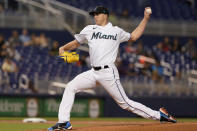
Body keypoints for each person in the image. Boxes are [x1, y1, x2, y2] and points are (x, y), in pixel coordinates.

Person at [48, 6, 176, 131]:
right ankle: (64, 122)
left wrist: (145, 19)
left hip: (108, 72)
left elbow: (134, 36)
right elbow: (76, 43)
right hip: (93, 72)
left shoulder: (116, 31)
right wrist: (63, 48)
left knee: (125, 104)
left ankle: (159, 115)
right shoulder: (89, 29)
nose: (95, 16)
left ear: (105, 15)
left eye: (97, 14)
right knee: (71, 86)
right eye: (94, 15)